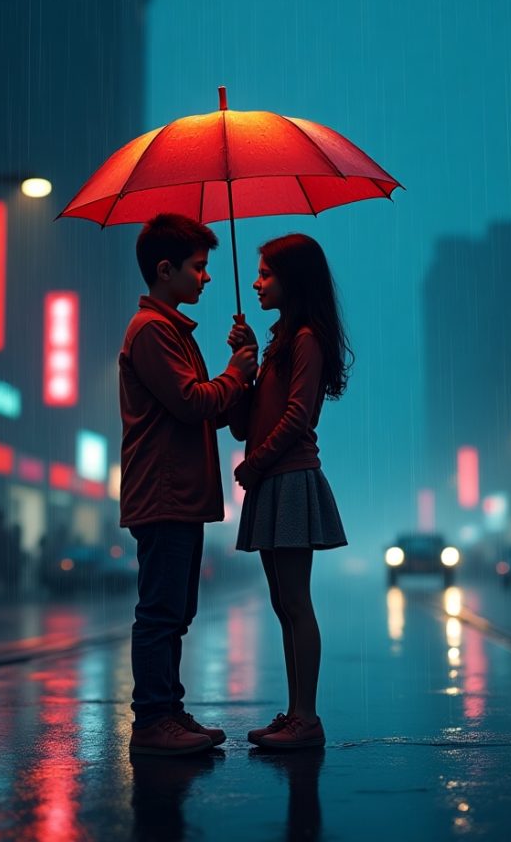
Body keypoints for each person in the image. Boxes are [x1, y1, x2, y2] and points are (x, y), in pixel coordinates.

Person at [119, 212, 258, 757]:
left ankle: (169, 711)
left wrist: (239, 367)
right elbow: (191, 402)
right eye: (198, 268)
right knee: (160, 611)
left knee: (177, 610)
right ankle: (153, 720)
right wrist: (234, 373)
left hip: (181, 492)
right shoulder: (153, 332)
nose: (206, 278)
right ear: (164, 269)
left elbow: (211, 409)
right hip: (163, 492)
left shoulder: (172, 330)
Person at [228, 233, 350, 750]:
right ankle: (296, 711)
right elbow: (242, 426)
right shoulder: (279, 341)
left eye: (265, 274)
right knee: (283, 603)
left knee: (296, 602)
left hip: (291, 478)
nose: (256, 283)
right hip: (271, 480)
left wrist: (254, 465)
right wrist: (242, 362)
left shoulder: (305, 339)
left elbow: (298, 417)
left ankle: (307, 716)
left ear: (292, 281)